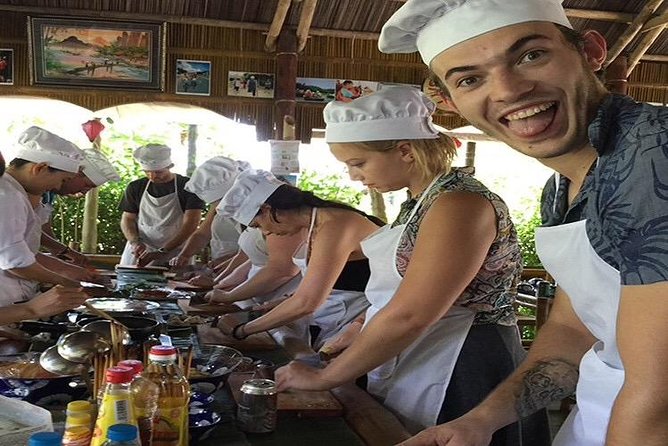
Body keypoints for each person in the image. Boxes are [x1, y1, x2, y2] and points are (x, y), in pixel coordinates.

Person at [373, 1, 668, 445]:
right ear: (450, 102)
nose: (509, 90)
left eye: (531, 55)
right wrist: (479, 421)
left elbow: (659, 395)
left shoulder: (653, 154)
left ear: (590, 52)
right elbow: (573, 331)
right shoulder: (561, 189)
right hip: (604, 417)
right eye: (471, 79)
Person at [274, 86, 549, 443]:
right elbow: (405, 290)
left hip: (466, 361)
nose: (353, 176)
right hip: (425, 351)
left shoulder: (460, 203)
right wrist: (359, 326)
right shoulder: (418, 202)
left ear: (405, 150)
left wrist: (325, 378)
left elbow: (412, 313)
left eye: (358, 163)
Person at [210, 169, 379, 350]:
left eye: (258, 225)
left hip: (362, 321)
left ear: (267, 209)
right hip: (334, 319)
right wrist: (282, 302)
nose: (265, 232)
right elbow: (319, 284)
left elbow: (307, 302)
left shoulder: (334, 225)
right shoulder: (312, 225)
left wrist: (242, 330)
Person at [0, 126, 90, 306]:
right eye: (63, 180)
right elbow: (15, 262)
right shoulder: (8, 196)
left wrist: (67, 272)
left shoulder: (14, 192)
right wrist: (66, 282)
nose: (58, 187)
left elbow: (23, 253)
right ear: (40, 168)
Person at [119, 144, 205, 266]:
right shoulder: (135, 187)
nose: (152, 176)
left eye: (158, 172)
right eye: (147, 172)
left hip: (176, 251)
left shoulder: (187, 186)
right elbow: (127, 219)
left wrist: (164, 250)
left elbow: (191, 223)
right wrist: (135, 242)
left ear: (169, 166)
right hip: (141, 250)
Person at [38, 148, 121, 265]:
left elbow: (43, 227)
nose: (82, 193)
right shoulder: (26, 190)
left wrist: (62, 254)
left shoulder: (49, 193)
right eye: (86, 185)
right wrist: (64, 252)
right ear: (74, 175)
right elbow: (30, 232)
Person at [170, 156, 250, 268]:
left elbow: (254, 253)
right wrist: (184, 255)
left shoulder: (256, 211)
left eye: (220, 201)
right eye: (214, 203)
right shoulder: (218, 208)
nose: (219, 206)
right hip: (222, 268)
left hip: (245, 270)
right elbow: (202, 234)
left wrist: (220, 267)